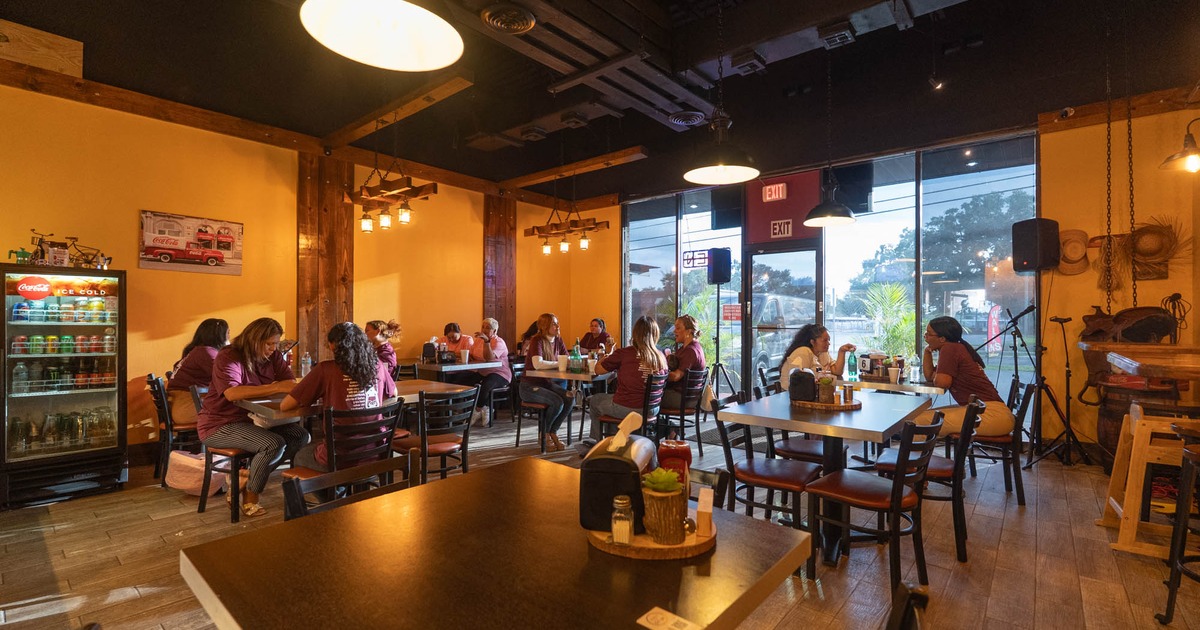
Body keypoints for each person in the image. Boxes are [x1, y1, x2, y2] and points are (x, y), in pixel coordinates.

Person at [195, 317, 308, 518]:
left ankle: (246, 478)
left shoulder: (272, 356)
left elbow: (288, 379)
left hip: (254, 420)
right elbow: (232, 393)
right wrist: (274, 387)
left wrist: (281, 384)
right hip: (220, 424)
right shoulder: (229, 355)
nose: (274, 348)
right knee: (272, 443)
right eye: (269, 344)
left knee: (300, 436)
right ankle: (251, 496)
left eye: (275, 343)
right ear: (255, 339)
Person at [282, 322, 396, 472]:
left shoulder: (325, 369)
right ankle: (345, 490)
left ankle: (336, 493)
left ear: (331, 345)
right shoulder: (378, 365)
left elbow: (285, 406)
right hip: (376, 450)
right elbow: (394, 394)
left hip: (339, 455)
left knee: (299, 456)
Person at [918, 316, 1013, 437]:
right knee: (924, 416)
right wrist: (927, 351)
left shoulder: (950, 349)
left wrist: (938, 374)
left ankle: (913, 456)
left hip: (991, 415)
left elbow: (942, 383)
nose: (925, 337)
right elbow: (930, 377)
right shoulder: (955, 347)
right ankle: (918, 455)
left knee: (918, 420)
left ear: (942, 338)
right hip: (990, 412)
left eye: (928, 334)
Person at [587, 316, 668, 442]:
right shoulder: (661, 356)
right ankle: (618, 438)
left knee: (595, 400)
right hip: (653, 409)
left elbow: (598, 370)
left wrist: (608, 353)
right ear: (655, 334)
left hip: (629, 408)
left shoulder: (625, 353)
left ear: (635, 334)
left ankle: (601, 443)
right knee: (611, 400)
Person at [521, 313, 573, 451]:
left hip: (547, 384)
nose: (557, 326)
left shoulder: (558, 340)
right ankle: (544, 435)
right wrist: (558, 363)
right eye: (553, 324)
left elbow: (566, 360)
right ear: (545, 326)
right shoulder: (536, 340)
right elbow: (537, 364)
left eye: (557, 323)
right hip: (529, 386)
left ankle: (552, 432)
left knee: (570, 398)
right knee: (557, 402)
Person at [449, 318, 511, 427]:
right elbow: (472, 355)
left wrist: (487, 342)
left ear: (495, 331)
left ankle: (476, 410)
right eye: (483, 327)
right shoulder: (478, 340)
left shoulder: (499, 342)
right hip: (482, 371)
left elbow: (489, 358)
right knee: (460, 381)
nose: (484, 329)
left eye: (488, 328)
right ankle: (476, 408)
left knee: (486, 385)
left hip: (500, 373)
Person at [167, 318, 229, 425]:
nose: (229, 337)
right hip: (186, 408)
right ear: (220, 335)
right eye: (228, 333)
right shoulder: (206, 352)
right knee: (238, 412)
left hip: (179, 406)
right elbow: (226, 376)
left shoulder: (196, 350)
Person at [779, 324, 856, 392]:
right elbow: (801, 382)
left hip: (811, 393)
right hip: (791, 394)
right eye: (825, 340)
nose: (828, 343)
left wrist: (841, 351)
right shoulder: (803, 352)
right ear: (812, 342)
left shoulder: (823, 353)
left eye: (829, 340)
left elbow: (837, 371)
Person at [662, 315, 705, 409]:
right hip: (685, 397)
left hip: (682, 398)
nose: (674, 331)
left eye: (678, 328)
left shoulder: (690, 351)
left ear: (688, 331)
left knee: (647, 396)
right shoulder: (690, 347)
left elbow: (676, 376)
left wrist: (658, 375)